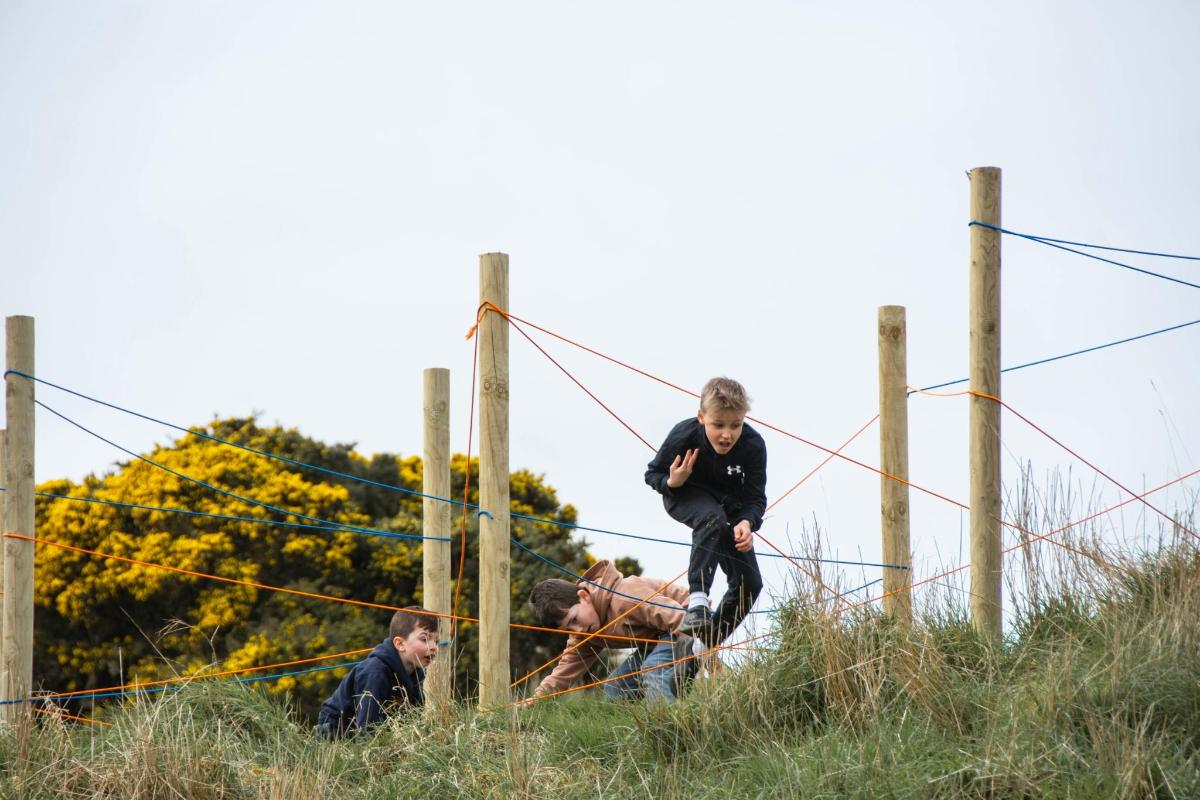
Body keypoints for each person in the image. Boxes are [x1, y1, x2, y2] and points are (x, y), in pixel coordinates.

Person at [645, 376, 765, 644]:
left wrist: (747, 521)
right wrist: (672, 481)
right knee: (711, 517)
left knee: (751, 584)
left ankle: (698, 651)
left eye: (736, 425)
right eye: (718, 424)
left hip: (729, 509)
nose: (727, 434)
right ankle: (697, 602)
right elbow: (652, 473)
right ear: (701, 417)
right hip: (684, 494)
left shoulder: (753, 445)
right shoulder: (684, 434)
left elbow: (755, 497)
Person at [526, 560, 699, 703]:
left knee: (654, 668)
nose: (577, 630)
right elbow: (565, 670)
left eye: (574, 619)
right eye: (569, 629)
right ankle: (638, 730)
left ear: (584, 596)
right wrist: (537, 699)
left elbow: (679, 616)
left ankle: (668, 731)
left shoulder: (623, 597)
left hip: (688, 620)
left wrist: (708, 655)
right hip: (656, 638)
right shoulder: (583, 633)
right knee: (616, 686)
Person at [316, 606, 439, 739]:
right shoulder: (375, 673)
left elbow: (414, 722)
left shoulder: (416, 672)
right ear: (400, 644)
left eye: (436, 641)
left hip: (379, 730)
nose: (433, 647)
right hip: (337, 733)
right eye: (424, 639)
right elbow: (367, 727)